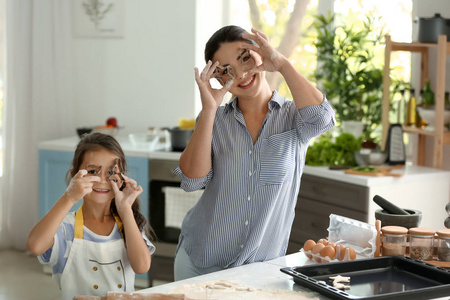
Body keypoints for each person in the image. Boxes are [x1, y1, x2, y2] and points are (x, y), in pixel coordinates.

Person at [173, 25, 336, 280]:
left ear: (260, 53)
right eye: (226, 71)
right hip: (200, 262)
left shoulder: (294, 118)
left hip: (260, 270)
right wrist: (208, 110)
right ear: (217, 78)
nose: (240, 74)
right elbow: (192, 181)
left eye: (245, 57)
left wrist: (281, 63)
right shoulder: (214, 121)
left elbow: (322, 119)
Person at [27, 132, 155, 300]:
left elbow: (142, 267)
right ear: (74, 176)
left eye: (111, 173)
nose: (102, 180)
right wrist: (70, 197)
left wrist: (126, 210)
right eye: (93, 171)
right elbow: (35, 246)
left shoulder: (128, 223)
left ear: (122, 178)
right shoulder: (65, 229)